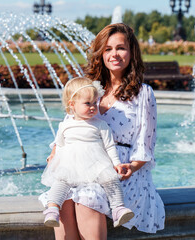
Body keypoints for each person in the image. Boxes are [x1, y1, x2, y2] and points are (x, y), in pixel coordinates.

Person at [42, 23, 165, 240]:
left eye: (120, 48)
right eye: (108, 49)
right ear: (100, 54)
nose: (114, 54)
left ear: (132, 52)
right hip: (81, 163)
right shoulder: (89, 88)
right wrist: (55, 152)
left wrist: (132, 167)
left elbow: (145, 145)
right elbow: (68, 126)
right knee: (62, 199)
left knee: (87, 198)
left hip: (120, 170)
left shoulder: (144, 93)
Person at [40, 77, 134, 228]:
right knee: (60, 182)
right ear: (72, 105)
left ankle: (118, 208)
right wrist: (53, 157)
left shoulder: (100, 125)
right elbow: (60, 145)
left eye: (95, 103)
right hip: (71, 163)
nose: (92, 107)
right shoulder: (65, 126)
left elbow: (110, 147)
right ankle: (52, 209)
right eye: (87, 103)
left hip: (95, 163)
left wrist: (117, 164)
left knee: (110, 179)